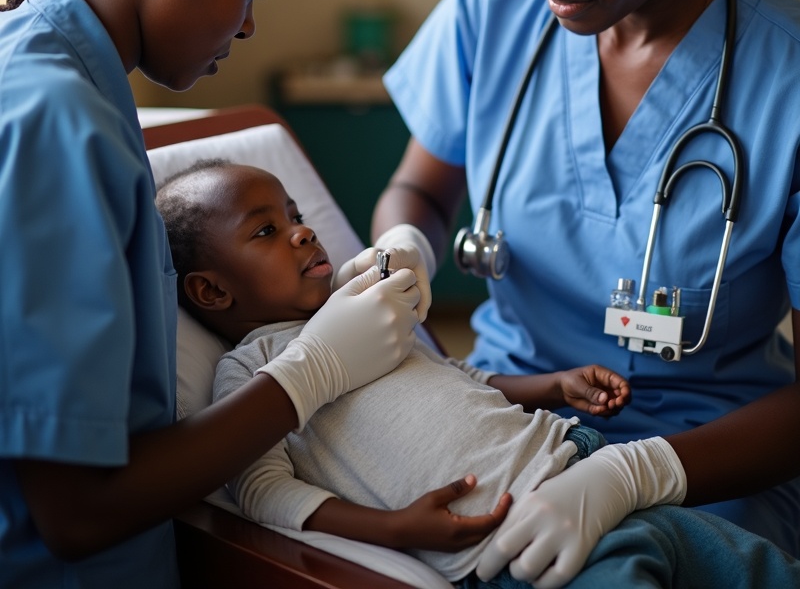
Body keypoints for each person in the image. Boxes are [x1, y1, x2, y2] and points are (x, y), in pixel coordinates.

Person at [371, 0, 800, 585]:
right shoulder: (493, 2)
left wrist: (635, 473)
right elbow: (421, 189)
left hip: (706, 463)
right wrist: (402, 256)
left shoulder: (789, 77)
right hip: (502, 417)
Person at [0, 0, 434, 589]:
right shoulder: (56, 122)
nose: (248, 23)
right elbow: (77, 514)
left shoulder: (59, 75)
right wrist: (309, 372)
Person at [157, 158, 800, 589]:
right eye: (266, 231)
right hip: (517, 539)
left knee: (756, 566)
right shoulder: (253, 371)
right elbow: (260, 488)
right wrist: (392, 529)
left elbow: (456, 375)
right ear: (212, 291)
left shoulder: (360, 311)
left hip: (582, 466)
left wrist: (551, 386)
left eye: (296, 216)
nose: (301, 234)